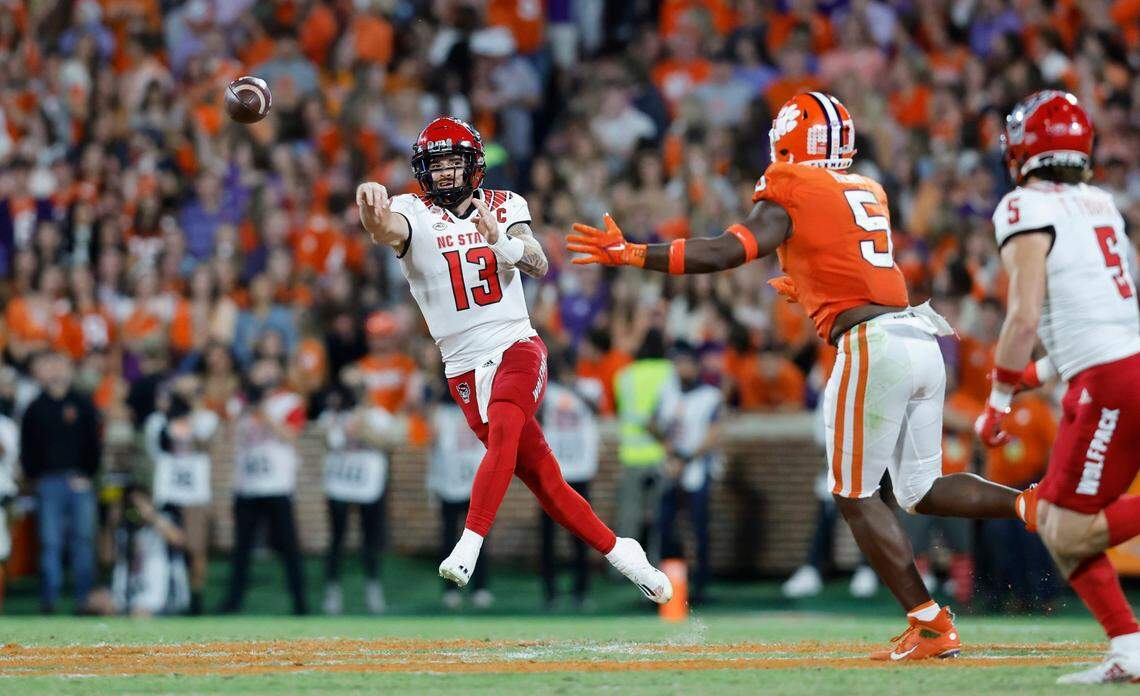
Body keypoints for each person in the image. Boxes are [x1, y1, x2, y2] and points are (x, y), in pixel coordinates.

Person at [569, 91, 1034, 658]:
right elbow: (846, 258)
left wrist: (635, 254)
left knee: (853, 494)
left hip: (874, 345)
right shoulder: (868, 187)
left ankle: (931, 622)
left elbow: (726, 251)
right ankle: (1031, 505)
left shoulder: (789, 183)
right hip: (919, 337)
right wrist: (810, 282)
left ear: (788, 139)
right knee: (920, 490)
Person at [356, 117, 671, 603]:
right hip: (462, 365)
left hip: (516, 343)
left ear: (473, 165)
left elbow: (538, 262)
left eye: (451, 162)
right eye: (434, 164)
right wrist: (367, 200)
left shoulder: (504, 204)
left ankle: (469, 542)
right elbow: (382, 228)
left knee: (504, 425)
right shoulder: (410, 212)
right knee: (546, 483)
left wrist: (499, 240)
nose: (442, 173)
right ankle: (621, 552)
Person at [977, 91, 1140, 684]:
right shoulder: (1102, 203)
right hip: (1121, 366)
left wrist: (996, 399)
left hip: (1110, 383)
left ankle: (1129, 645)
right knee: (1055, 519)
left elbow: (1023, 318)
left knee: (1064, 526)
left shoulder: (1022, 207)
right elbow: (1097, 316)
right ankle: (1128, 647)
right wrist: (1037, 376)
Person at [219, 359, 308, 615]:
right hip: (247, 484)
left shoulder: (289, 401)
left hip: (277, 484)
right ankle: (233, 602)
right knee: (242, 548)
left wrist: (263, 411)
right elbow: (230, 435)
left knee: (288, 546)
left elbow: (291, 435)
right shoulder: (238, 402)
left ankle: (300, 602)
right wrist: (249, 406)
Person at [20, 352, 102, 613]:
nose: (55, 370)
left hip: (79, 480)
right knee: (50, 542)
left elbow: (94, 443)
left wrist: (87, 474)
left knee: (83, 541)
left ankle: (84, 599)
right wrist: (36, 477)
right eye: (49, 364)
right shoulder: (35, 407)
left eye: (59, 364)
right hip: (48, 482)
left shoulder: (82, 403)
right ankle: (49, 599)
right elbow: (27, 447)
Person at [318, 366, 400, 615]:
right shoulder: (332, 416)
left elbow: (390, 442)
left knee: (370, 540)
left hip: (369, 483)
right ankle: (332, 592)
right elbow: (331, 441)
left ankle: (372, 589)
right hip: (340, 482)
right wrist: (343, 423)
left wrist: (364, 426)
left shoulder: (377, 415)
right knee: (337, 539)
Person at [143, 374, 218, 615]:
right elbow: (157, 450)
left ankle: (195, 600)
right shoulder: (156, 421)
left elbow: (204, 442)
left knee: (196, 549)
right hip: (168, 492)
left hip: (195, 493)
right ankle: (165, 596)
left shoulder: (205, 418)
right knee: (164, 547)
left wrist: (189, 409)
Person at [655, 341, 722, 605]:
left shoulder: (710, 395)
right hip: (672, 466)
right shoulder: (668, 393)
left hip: (697, 468)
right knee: (665, 528)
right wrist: (668, 446)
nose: (681, 369)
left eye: (685, 363)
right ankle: (666, 588)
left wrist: (685, 457)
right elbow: (653, 423)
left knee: (699, 529)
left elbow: (714, 434)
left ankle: (701, 587)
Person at [539, 350, 601, 610]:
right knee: (548, 535)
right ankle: (550, 591)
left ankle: (581, 590)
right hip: (553, 471)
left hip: (581, 469)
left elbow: (597, 409)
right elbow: (535, 414)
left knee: (582, 533)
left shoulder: (589, 387)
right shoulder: (546, 392)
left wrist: (573, 387)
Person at [427, 378, 493, 609]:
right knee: (451, 536)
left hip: (473, 480)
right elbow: (433, 444)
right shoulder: (444, 413)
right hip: (452, 480)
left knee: (476, 537)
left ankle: (479, 587)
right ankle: (452, 588)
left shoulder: (480, 407)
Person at [613, 329, 676, 553]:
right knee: (661, 516)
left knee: (629, 515)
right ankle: (657, 567)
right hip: (661, 453)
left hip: (631, 453)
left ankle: (623, 570)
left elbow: (623, 411)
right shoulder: (669, 372)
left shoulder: (625, 375)